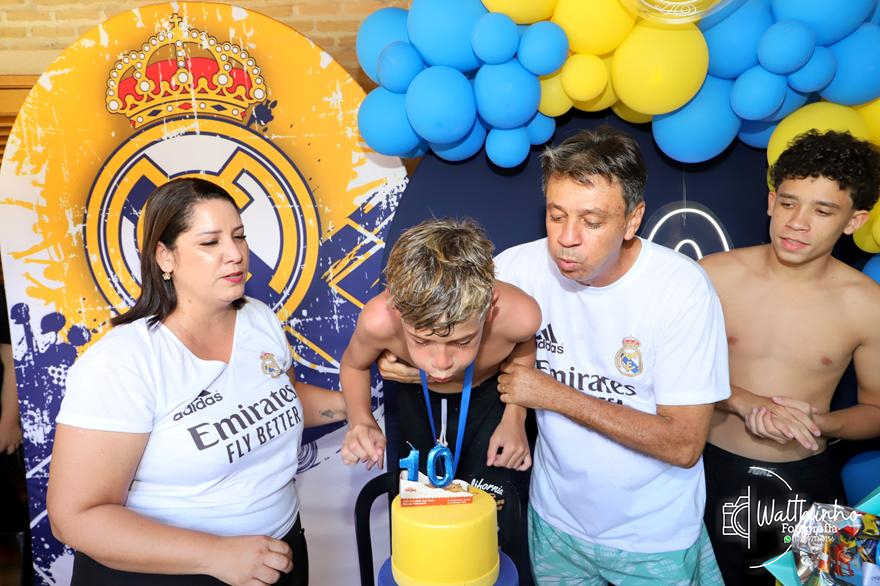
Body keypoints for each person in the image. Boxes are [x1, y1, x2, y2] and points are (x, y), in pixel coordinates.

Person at [47, 177, 346, 586]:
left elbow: (285, 397)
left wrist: (358, 408)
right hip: (175, 575)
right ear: (165, 257)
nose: (235, 254)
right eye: (210, 242)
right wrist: (214, 554)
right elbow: (74, 518)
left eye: (239, 236)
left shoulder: (259, 318)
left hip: (281, 553)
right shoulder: (123, 361)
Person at [491, 127, 729, 584]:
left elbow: (683, 445)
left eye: (592, 221)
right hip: (553, 526)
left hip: (652, 540)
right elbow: (449, 330)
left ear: (632, 220)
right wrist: (405, 358)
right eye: (556, 216)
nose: (567, 238)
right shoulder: (518, 268)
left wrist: (553, 395)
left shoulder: (680, 290)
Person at [700, 129, 880, 585]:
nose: (797, 222)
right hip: (703, 472)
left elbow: (876, 410)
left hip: (810, 483)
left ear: (854, 221)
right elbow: (663, 375)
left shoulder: (869, 303)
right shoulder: (711, 275)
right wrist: (744, 401)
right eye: (788, 203)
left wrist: (821, 422)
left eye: (823, 211)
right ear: (770, 202)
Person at [339, 218, 540, 566]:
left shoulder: (520, 316)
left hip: (488, 405)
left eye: (462, 341)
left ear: (489, 307)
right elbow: (353, 365)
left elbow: (523, 349)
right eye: (422, 341)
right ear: (397, 311)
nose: (442, 363)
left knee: (494, 525)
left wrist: (515, 417)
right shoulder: (378, 321)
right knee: (418, 521)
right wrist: (361, 420)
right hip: (414, 406)